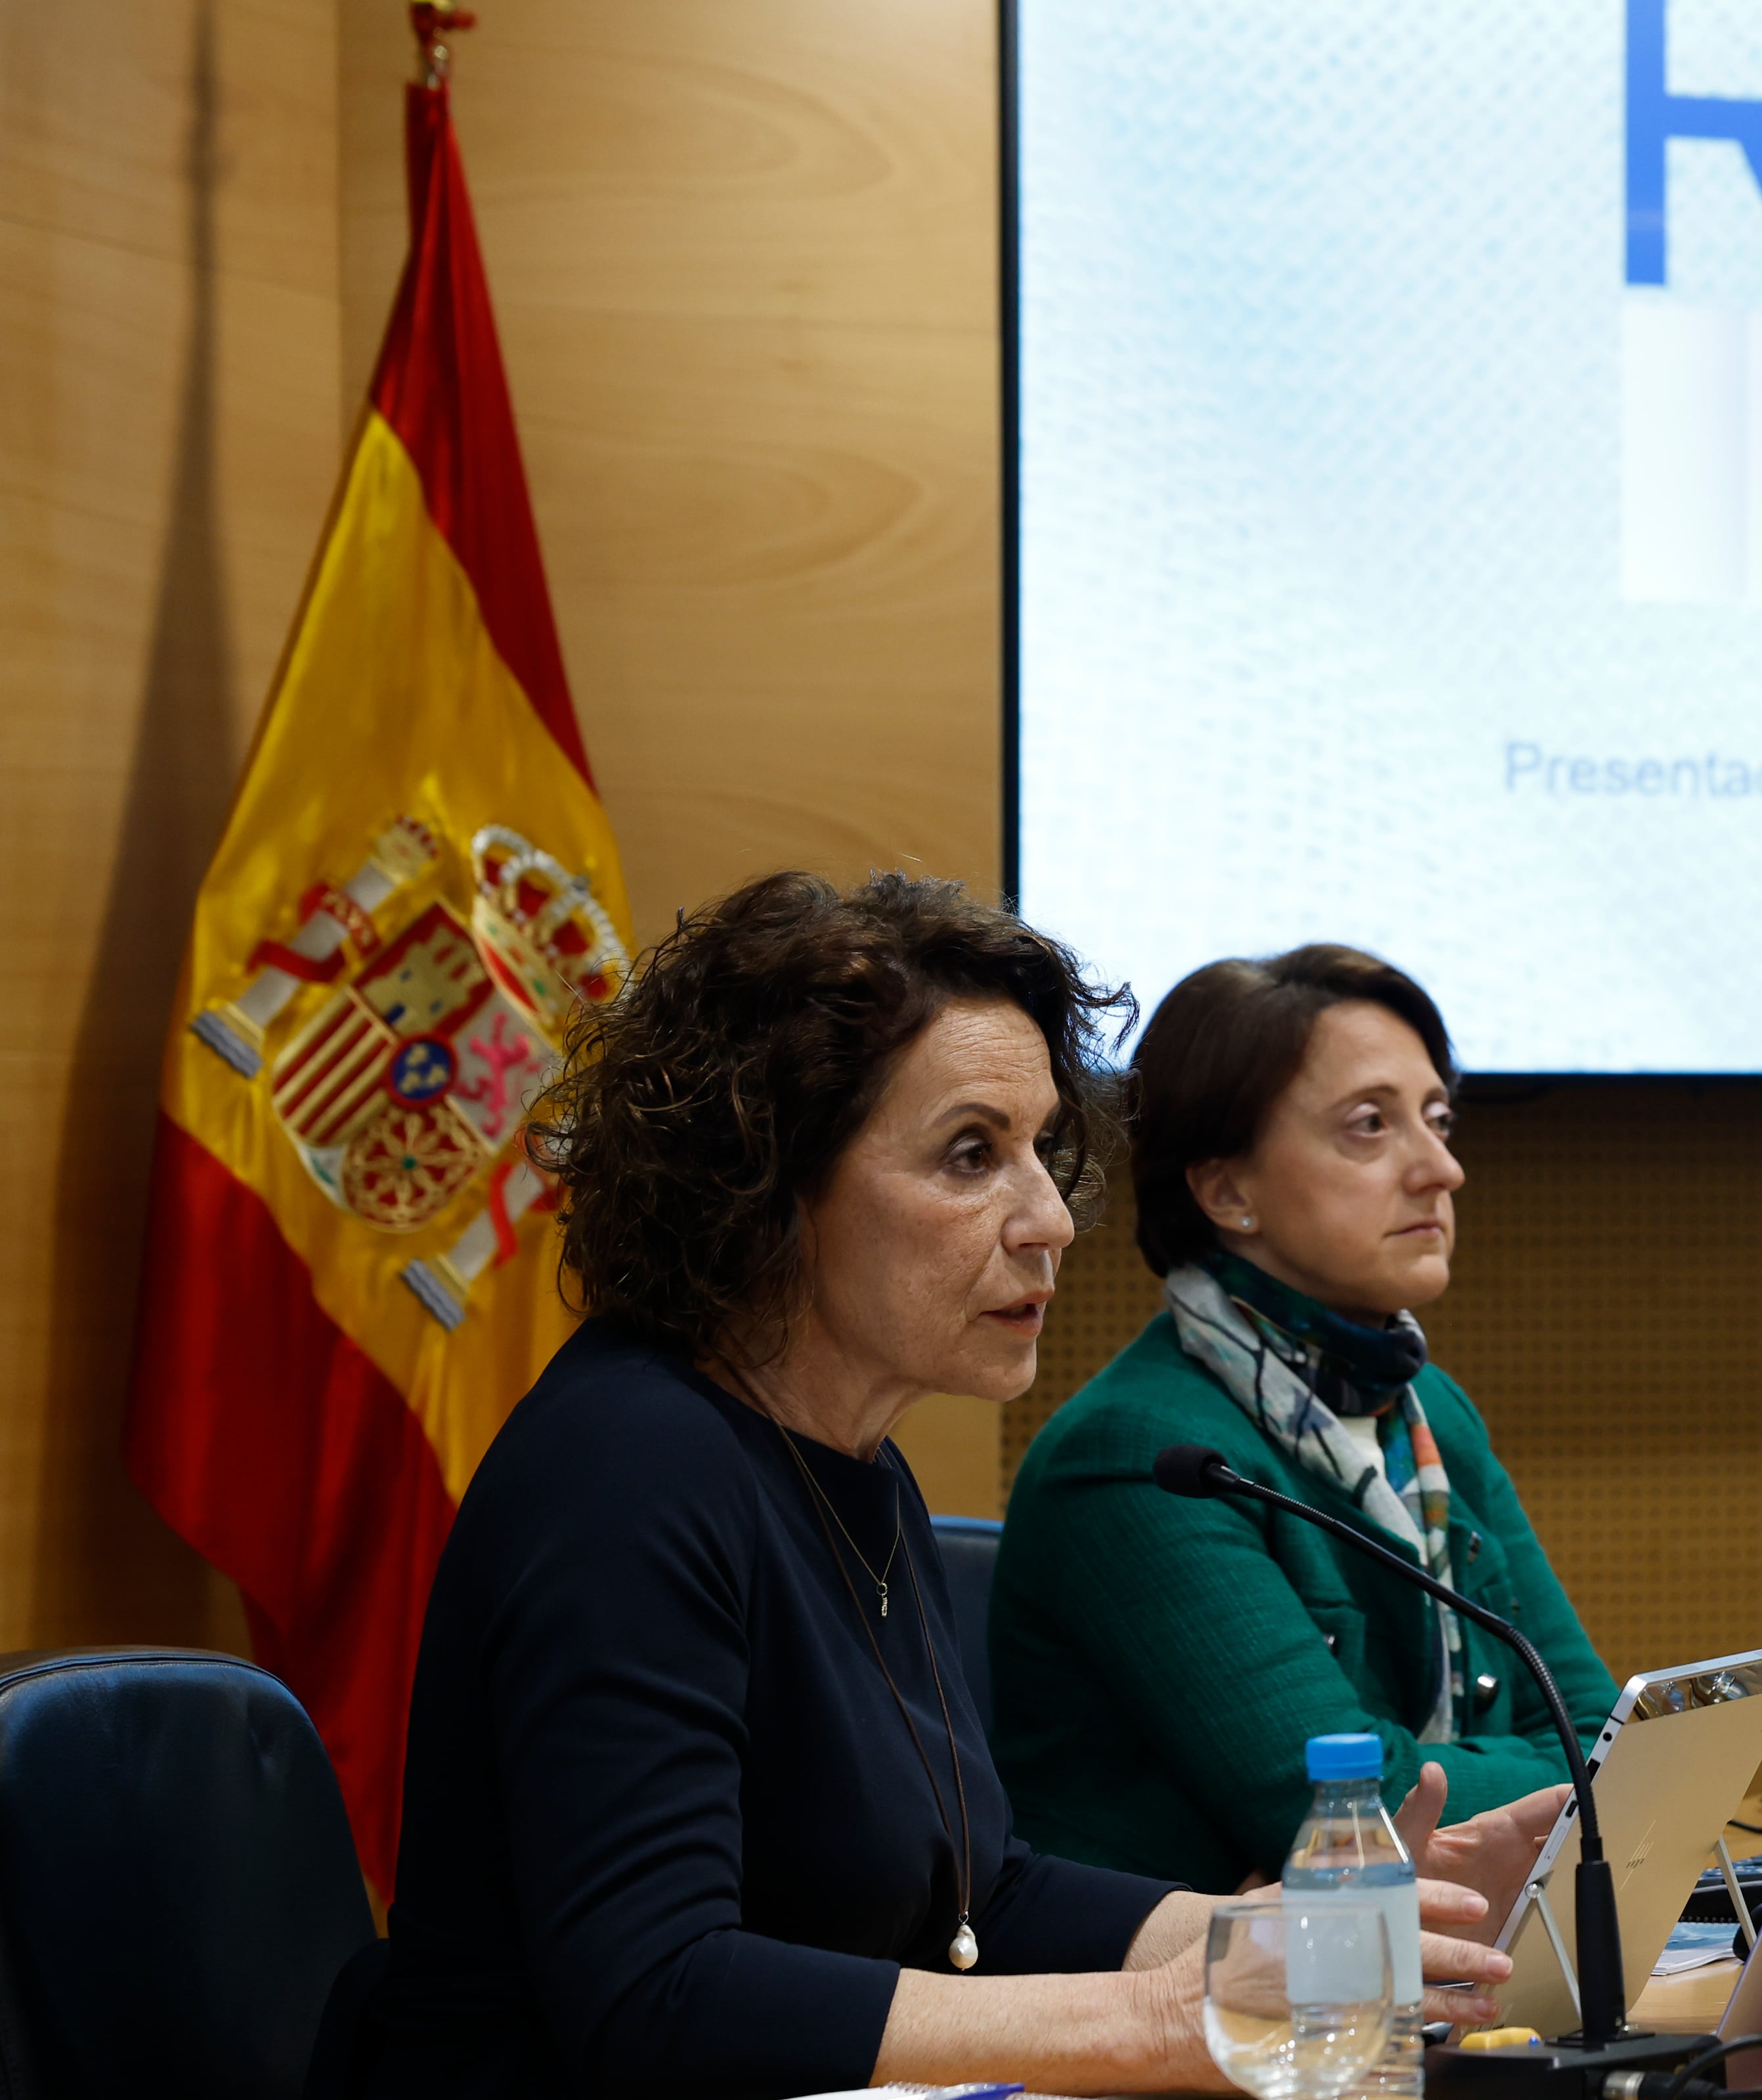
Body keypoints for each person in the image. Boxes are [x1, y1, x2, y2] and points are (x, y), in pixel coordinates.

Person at [344, 876, 1537, 2099]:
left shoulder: (855, 1461)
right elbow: (660, 1991)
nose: (1049, 1221)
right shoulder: (627, 1470)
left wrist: (1297, 1935)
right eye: (973, 1154)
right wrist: (1151, 2019)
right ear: (769, 1184)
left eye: (1039, 1151)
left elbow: (982, 1897)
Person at [992, 945, 1611, 1892]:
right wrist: (1545, 1777)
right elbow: (1343, 1808)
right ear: (1227, 1189)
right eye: (1371, 1125)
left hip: (1411, 1964)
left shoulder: (1425, 1409)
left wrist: (1511, 1782)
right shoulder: (1138, 1456)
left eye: (1438, 1119)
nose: (1440, 1168)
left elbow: (1604, 1737)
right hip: (1187, 2011)